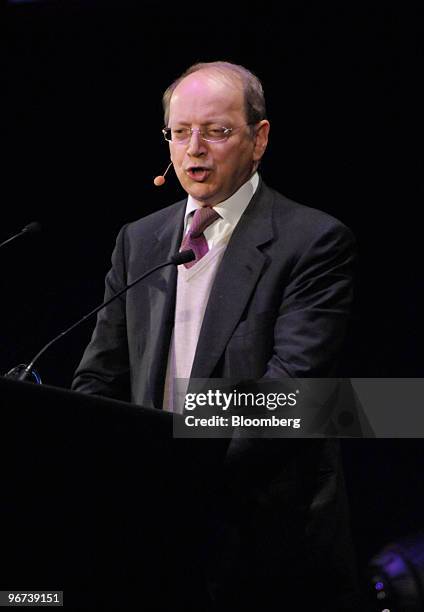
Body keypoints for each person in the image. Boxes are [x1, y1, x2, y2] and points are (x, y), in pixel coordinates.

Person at [72, 61, 360, 610]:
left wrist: (176, 462)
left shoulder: (314, 240)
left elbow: (291, 391)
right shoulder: (141, 239)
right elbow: (99, 376)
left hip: (261, 529)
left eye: (217, 131)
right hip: (149, 527)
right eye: (180, 132)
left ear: (260, 138)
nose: (194, 148)